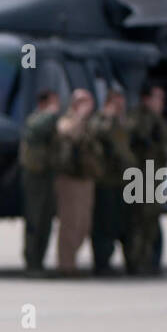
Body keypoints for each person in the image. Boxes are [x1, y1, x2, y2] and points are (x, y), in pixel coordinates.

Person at [124, 84, 167, 275]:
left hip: (156, 177)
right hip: (142, 177)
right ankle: (136, 262)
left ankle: (148, 260)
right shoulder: (137, 117)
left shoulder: (159, 121)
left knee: (151, 221)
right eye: (157, 97)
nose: (161, 103)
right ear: (146, 99)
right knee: (140, 221)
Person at [51, 89, 102, 276]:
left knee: (84, 223)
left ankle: (71, 260)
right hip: (69, 180)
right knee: (70, 223)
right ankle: (65, 265)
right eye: (81, 102)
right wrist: (79, 117)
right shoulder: (66, 121)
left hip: (86, 178)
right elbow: (70, 134)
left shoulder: (92, 123)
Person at [89, 88, 134, 276]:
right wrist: (109, 117)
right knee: (104, 224)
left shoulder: (126, 122)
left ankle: (131, 260)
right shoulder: (100, 120)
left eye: (121, 103)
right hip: (106, 181)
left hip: (126, 181)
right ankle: (102, 263)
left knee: (125, 223)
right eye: (116, 103)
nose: (119, 107)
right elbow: (96, 132)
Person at [20, 89, 61, 276]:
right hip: (35, 177)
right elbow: (36, 130)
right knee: (35, 219)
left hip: (47, 176)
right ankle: (32, 262)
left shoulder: (50, 122)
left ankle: (40, 262)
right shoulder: (35, 119)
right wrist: (51, 113)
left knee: (46, 221)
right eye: (53, 102)